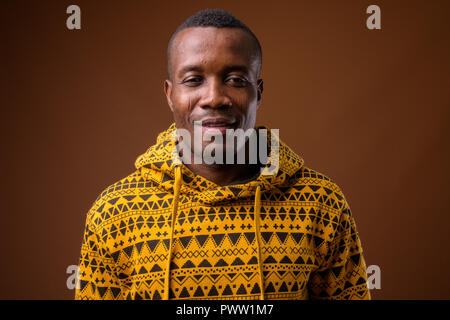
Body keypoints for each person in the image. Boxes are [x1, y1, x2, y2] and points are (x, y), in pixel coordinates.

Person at [75, 8, 371, 300]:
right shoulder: (114, 213)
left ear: (259, 91)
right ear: (170, 94)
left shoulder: (321, 204)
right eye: (193, 80)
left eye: (235, 80)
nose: (214, 97)